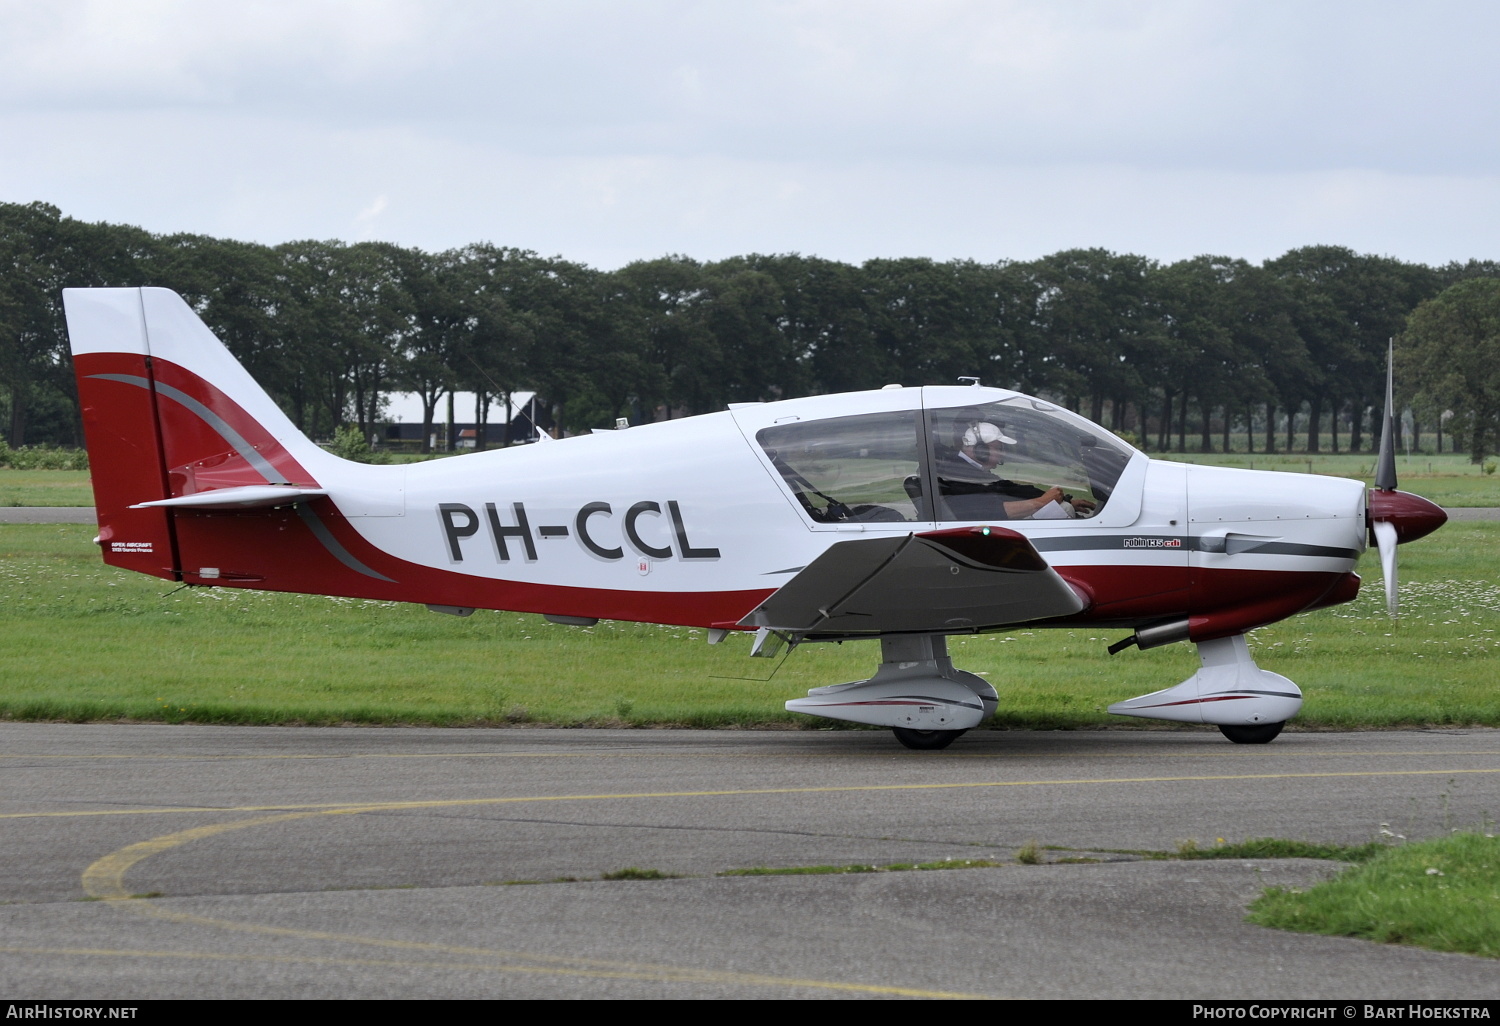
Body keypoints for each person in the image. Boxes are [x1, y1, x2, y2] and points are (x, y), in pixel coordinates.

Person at [934, 422, 1096, 520]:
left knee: (1064, 507)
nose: (1001, 455)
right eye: (998, 449)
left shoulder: (972, 471)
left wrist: (1062, 500)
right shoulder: (957, 474)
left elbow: (1012, 489)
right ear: (980, 450)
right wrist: (1041, 503)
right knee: (1063, 511)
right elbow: (987, 512)